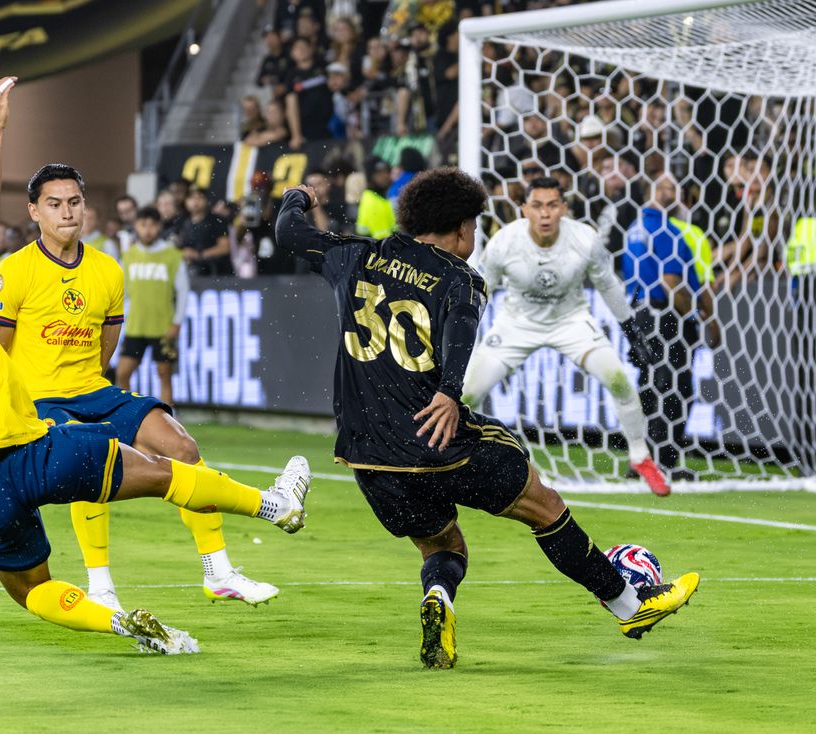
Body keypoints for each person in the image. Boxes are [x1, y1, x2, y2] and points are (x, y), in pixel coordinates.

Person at [0, 77, 311, 655]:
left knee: (33, 593)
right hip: (34, 446)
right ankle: (273, 505)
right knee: (164, 475)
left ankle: (118, 621)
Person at [276, 167, 700, 669]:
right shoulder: (460, 277)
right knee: (542, 504)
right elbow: (460, 331)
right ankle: (630, 604)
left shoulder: (354, 255)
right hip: (438, 435)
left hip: (366, 454)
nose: (474, 238)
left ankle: (439, 599)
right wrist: (451, 393)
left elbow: (288, 232)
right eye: (473, 226)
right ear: (459, 227)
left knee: (442, 545)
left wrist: (296, 196)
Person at [0, 164, 277, 611]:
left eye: (75, 202)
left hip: (93, 388)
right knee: (86, 464)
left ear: (86, 208)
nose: (67, 213)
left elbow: (106, 344)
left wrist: (89, 383)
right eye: (55, 204)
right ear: (34, 212)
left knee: (180, 446)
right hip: (40, 398)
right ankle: (101, 586)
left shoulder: (108, 270)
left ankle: (219, 571)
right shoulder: (16, 268)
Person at [460, 177, 670, 496]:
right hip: (517, 324)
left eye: (552, 205)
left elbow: (609, 286)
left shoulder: (585, 239)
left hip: (571, 321)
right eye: (538, 206)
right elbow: (480, 292)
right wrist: (461, 334)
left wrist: (633, 333)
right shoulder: (504, 243)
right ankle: (451, 461)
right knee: (467, 395)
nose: (545, 214)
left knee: (618, 380)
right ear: (524, 210)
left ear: (564, 209)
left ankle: (641, 456)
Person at [623, 174, 718, 478]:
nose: (671, 193)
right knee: (673, 388)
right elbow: (672, 282)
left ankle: (641, 460)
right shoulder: (667, 231)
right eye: (666, 187)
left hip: (640, 313)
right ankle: (663, 462)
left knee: (650, 385)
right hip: (666, 318)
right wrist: (697, 316)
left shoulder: (635, 229)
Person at [116, 207, 189, 406]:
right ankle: (127, 417)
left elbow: (183, 291)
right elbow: (121, 293)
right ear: (136, 227)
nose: (148, 230)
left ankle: (170, 419)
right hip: (136, 326)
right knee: (123, 373)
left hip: (163, 327)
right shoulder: (128, 256)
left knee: (164, 374)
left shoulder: (172, 255)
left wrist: (177, 322)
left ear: (159, 227)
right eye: (143, 225)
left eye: (152, 225)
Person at [178, 188, 232, 277]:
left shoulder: (217, 221)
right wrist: (183, 253)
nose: (195, 202)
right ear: (185, 201)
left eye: (199, 198)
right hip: (189, 271)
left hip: (216, 272)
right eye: (191, 198)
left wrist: (199, 255)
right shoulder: (181, 222)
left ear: (206, 200)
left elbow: (225, 248)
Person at [355, 156, 396, 238]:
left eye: (386, 171)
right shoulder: (373, 201)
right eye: (379, 173)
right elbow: (384, 242)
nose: (385, 176)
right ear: (370, 177)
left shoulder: (378, 197)